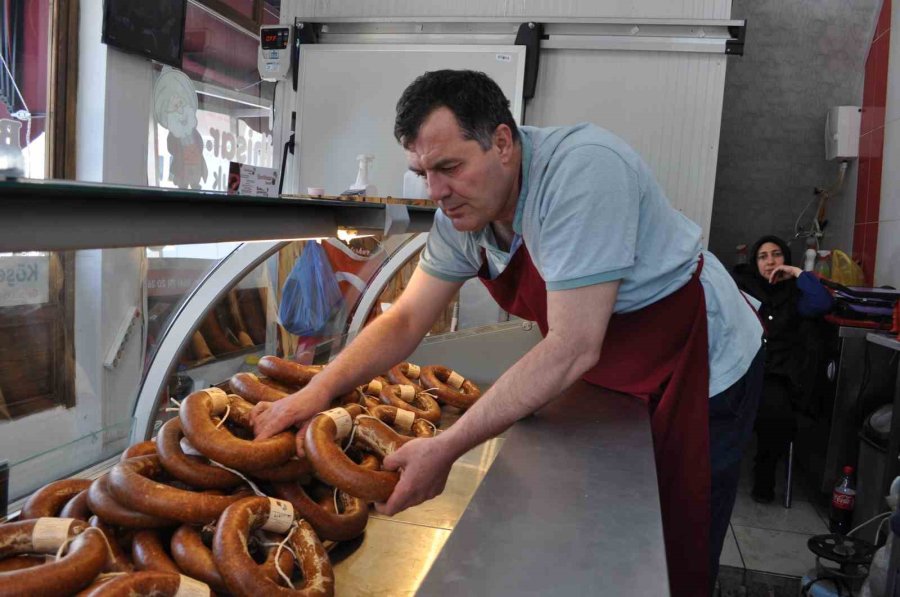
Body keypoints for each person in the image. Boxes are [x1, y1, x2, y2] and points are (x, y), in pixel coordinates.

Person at [250, 69, 764, 596]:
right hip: (611, 367)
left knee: (677, 537)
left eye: (450, 167)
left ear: (502, 142)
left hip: (699, 364)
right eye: (423, 172)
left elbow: (573, 344)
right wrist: (318, 388)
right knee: (612, 532)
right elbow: (405, 319)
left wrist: (446, 447)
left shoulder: (582, 172)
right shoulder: (462, 213)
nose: (438, 193)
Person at [732, 235, 833, 503]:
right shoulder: (743, 287)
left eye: (776, 255)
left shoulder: (795, 294)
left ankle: (764, 472)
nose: (770, 261)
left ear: (785, 259)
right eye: (763, 256)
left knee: (775, 412)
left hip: (776, 372)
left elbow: (823, 304)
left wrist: (799, 273)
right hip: (740, 367)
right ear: (755, 262)